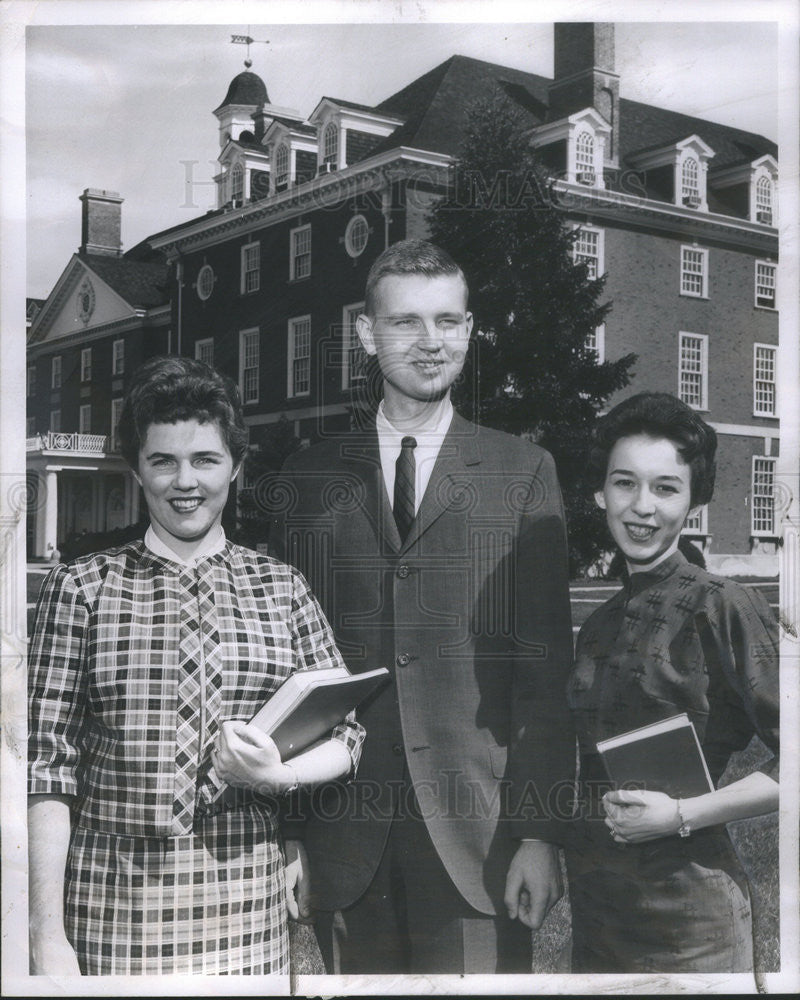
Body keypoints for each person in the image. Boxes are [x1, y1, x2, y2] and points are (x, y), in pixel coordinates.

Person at [268, 239, 575, 974]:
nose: (430, 342)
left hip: (479, 837)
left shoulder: (524, 471)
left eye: (448, 321)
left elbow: (547, 676)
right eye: (406, 323)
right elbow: (283, 673)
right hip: (344, 834)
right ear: (368, 335)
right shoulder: (308, 478)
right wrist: (289, 833)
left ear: (470, 331)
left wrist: (540, 833)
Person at [27, 356, 364, 976]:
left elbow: (347, 733)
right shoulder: (81, 587)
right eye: (163, 461)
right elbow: (47, 768)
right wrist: (46, 932)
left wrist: (279, 779)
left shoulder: (281, 587)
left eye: (205, 460)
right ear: (137, 470)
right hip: (111, 910)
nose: (186, 481)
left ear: (236, 466)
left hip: (246, 909)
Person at [566, 391, 779, 973]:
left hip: (693, 924)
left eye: (665, 487)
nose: (642, 506)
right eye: (624, 483)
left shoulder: (724, 605)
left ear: (694, 502)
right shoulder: (598, 624)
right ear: (600, 494)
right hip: (596, 915)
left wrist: (682, 814)